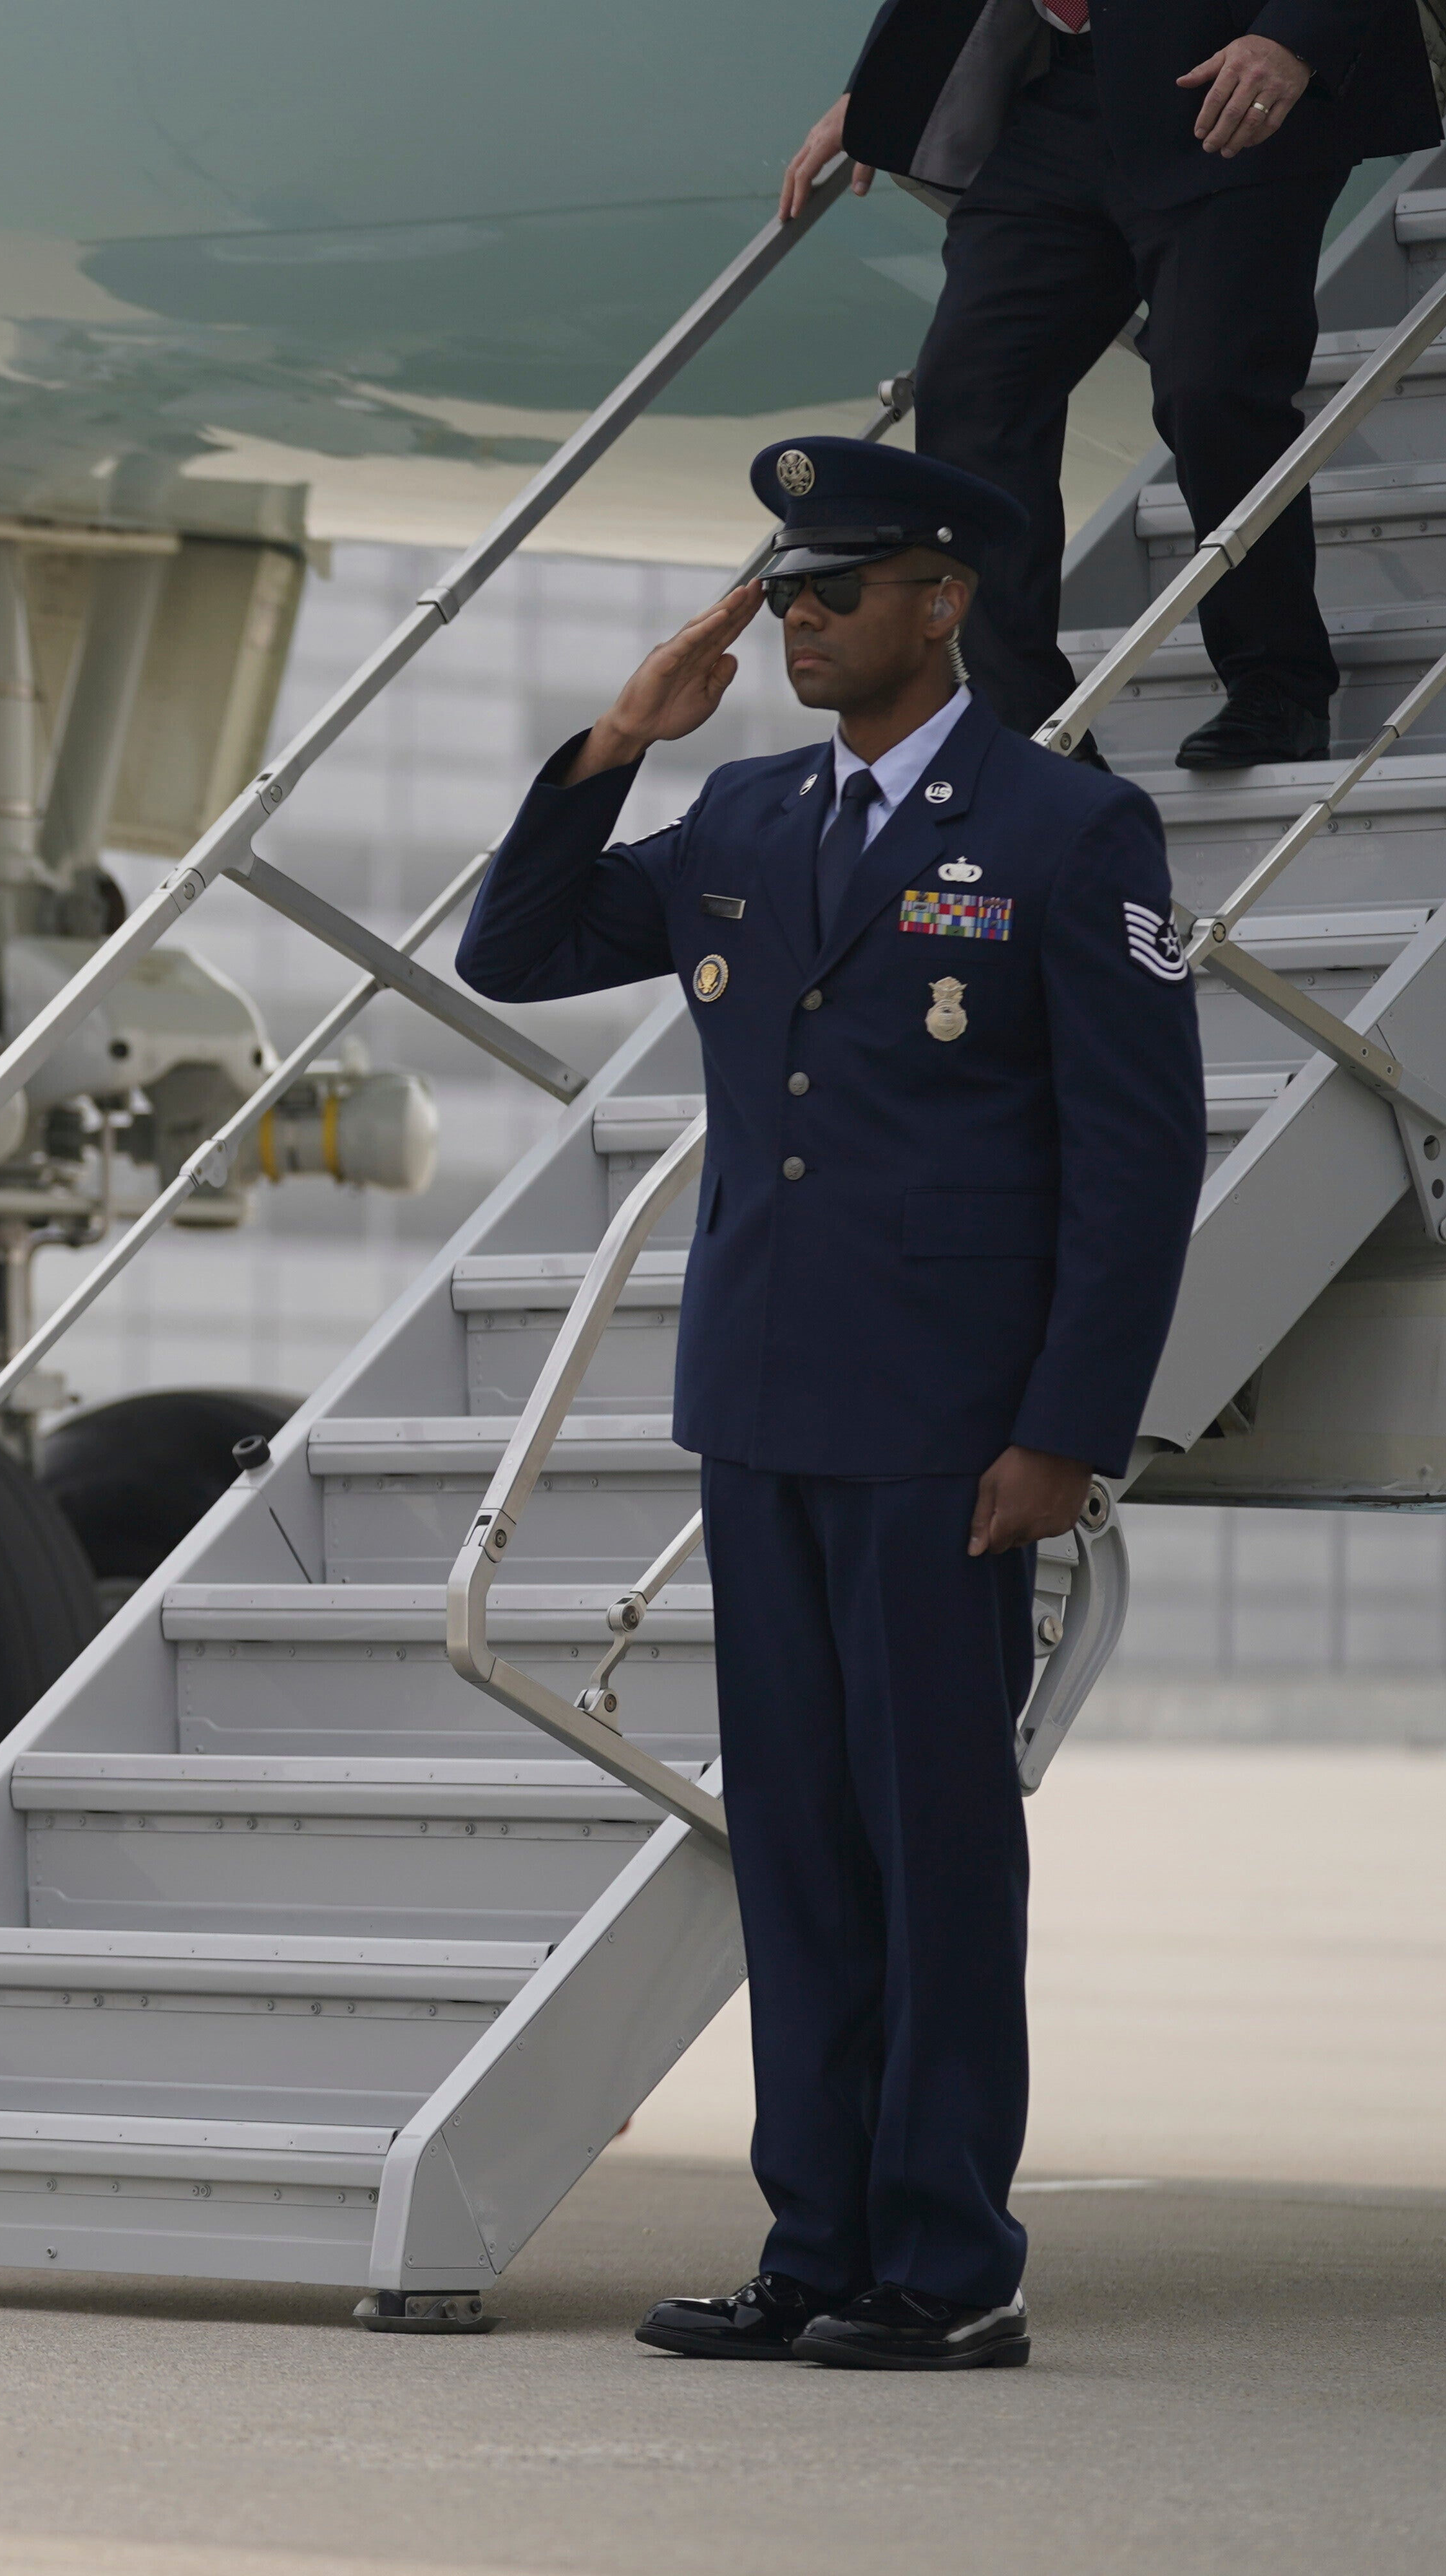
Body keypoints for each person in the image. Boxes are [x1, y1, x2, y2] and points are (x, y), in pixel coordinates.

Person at [457, 441, 1204, 2369]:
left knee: (928, 1834)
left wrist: (1065, 1426)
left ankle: (945, 2263)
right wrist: (619, 734)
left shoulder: (1062, 829)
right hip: (766, 1401)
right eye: (781, 593)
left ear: (938, 599)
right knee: (790, 1834)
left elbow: (1128, 1161)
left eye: (835, 592)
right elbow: (515, 946)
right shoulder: (745, 812)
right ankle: (813, 2248)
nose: (796, 621)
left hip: (949, 1427)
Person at [784, 1, 1440, 767]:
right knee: (970, 392)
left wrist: (1297, 36)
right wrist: (886, 82)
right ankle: (1024, 729)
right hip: (1062, 101)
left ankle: (1280, 683)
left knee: (1212, 389)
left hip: (1232, 78)